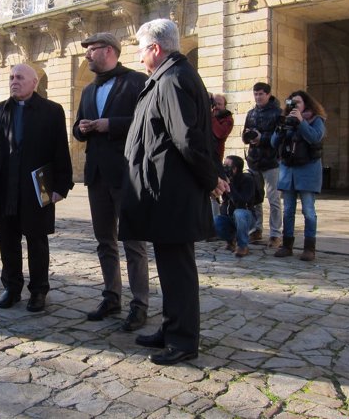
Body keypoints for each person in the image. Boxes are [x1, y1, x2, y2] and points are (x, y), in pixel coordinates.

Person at [119, 19, 228, 365]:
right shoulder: (168, 76)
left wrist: (212, 178)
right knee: (169, 267)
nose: (137, 57)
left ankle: (183, 341)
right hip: (163, 191)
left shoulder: (173, 79)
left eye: (140, 48)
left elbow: (188, 139)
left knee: (178, 269)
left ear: (155, 48)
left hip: (173, 193)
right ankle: (171, 328)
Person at [0, 63, 73, 312]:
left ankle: (39, 291)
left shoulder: (52, 111)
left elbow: (60, 150)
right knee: (7, 239)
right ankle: (11, 287)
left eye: (19, 77)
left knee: (37, 239)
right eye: (11, 77)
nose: (14, 81)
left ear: (34, 82)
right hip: (4, 187)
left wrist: (61, 186)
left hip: (37, 187)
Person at [73, 32, 150, 332]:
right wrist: (81, 128)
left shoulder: (135, 82)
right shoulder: (88, 90)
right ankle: (111, 296)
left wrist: (110, 125)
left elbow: (146, 122)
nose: (87, 56)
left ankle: (139, 304)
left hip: (126, 174)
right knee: (104, 241)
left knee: (133, 242)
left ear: (109, 51)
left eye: (91, 50)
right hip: (96, 176)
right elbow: (78, 129)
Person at [271, 90, 327, 261]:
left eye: (298, 103)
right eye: (291, 103)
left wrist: (301, 122)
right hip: (289, 171)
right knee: (288, 211)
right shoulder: (286, 120)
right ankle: (287, 245)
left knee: (308, 211)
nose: (294, 106)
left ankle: (309, 248)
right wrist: (281, 128)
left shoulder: (316, 120)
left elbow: (315, 138)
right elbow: (274, 143)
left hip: (308, 172)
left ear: (306, 105)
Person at [242, 82, 283, 248]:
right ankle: (256, 229)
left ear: (268, 94)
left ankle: (275, 233)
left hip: (271, 160)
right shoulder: (251, 113)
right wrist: (249, 137)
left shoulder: (277, 113)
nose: (258, 97)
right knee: (255, 198)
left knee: (273, 199)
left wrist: (262, 138)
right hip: (254, 160)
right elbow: (244, 135)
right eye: (256, 94)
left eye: (261, 94)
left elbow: (279, 136)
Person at [214, 155, 257, 257]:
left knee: (239, 213)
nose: (224, 168)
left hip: (246, 217)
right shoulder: (225, 179)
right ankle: (231, 241)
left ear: (235, 169)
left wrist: (229, 186)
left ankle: (242, 246)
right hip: (229, 217)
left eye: (227, 166)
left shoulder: (248, 180)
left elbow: (241, 202)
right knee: (215, 220)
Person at [210, 93, 234, 218]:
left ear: (225, 106)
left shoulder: (227, 118)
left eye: (219, 104)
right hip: (206, 156)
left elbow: (220, 133)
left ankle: (216, 224)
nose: (216, 107)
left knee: (215, 191)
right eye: (215, 104)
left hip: (216, 157)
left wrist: (210, 116)